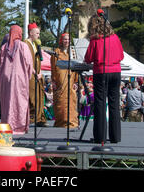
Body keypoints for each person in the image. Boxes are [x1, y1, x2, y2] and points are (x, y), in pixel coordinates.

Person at [84, 12, 124, 144]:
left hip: (101, 72)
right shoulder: (115, 37)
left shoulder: (95, 40)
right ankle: (115, 137)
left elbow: (88, 58)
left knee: (100, 104)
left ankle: (100, 137)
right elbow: (121, 56)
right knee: (114, 104)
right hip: (116, 72)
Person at [0, 25, 33, 134]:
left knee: (7, 102)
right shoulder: (23, 46)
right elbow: (29, 63)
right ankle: (19, 126)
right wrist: (29, 76)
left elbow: (0, 63)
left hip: (5, 79)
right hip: (19, 79)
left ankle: (7, 125)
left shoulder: (4, 47)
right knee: (19, 102)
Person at [50, 33, 79, 128]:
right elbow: (53, 68)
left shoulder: (73, 52)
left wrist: (76, 81)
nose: (67, 41)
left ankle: (72, 121)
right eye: (65, 39)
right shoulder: (56, 52)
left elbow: (76, 67)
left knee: (71, 101)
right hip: (60, 81)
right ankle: (61, 122)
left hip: (70, 82)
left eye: (68, 39)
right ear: (61, 41)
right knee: (60, 102)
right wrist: (53, 81)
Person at [25, 22, 47, 127]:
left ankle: (40, 118)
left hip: (37, 74)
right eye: (37, 33)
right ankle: (32, 117)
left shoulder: (36, 45)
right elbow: (26, 61)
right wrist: (34, 71)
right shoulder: (26, 44)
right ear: (30, 33)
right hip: (30, 74)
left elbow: (39, 60)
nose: (38, 35)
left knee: (39, 96)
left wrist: (40, 72)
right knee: (32, 97)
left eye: (39, 33)